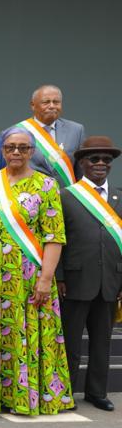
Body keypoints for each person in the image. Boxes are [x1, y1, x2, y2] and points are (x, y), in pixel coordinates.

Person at [0, 126, 73, 415]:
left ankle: (28, 397)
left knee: (26, 334)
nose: (16, 152)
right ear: (2, 150)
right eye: (10, 147)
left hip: (29, 277)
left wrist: (46, 279)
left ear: (32, 151)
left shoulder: (47, 186)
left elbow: (54, 236)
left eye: (23, 148)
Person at [57, 136, 122, 411]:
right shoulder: (67, 195)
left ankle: (97, 392)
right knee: (71, 341)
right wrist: (58, 277)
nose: (100, 164)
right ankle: (67, 392)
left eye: (106, 160)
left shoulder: (120, 196)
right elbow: (56, 239)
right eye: (94, 159)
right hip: (74, 281)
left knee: (102, 341)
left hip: (111, 281)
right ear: (82, 163)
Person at [17, 84, 85, 188]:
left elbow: (81, 171)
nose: (52, 106)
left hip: (67, 197)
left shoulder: (76, 130)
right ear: (33, 105)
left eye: (56, 102)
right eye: (46, 102)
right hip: (32, 197)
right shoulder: (17, 132)